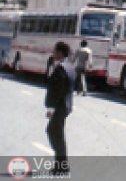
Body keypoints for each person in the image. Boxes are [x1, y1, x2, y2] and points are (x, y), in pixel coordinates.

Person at [45, 41, 76, 175]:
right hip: (66, 105)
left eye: (54, 51)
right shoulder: (69, 66)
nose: (53, 53)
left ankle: (62, 166)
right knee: (57, 133)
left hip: (60, 105)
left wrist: (51, 108)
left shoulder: (60, 68)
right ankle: (61, 165)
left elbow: (57, 89)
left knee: (53, 132)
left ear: (60, 52)